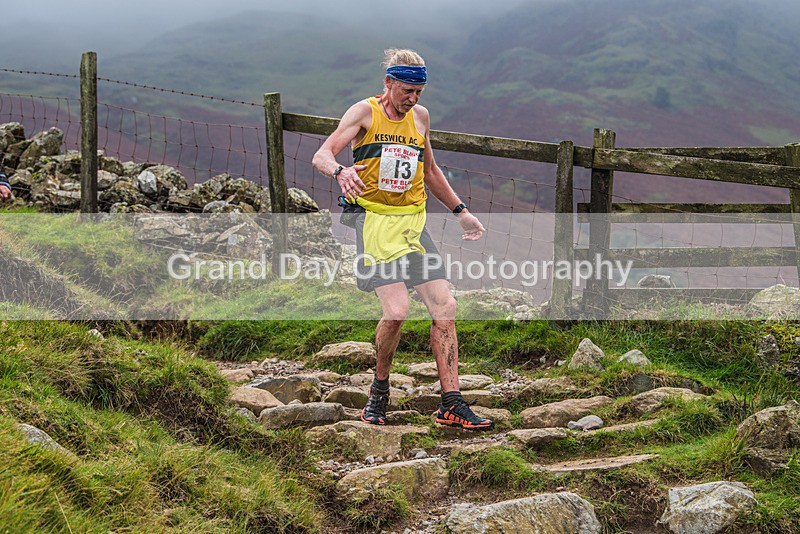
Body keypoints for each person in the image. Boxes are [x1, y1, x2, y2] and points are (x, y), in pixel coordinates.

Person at [312, 48, 494, 430]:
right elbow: (322, 155)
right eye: (406, 91)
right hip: (374, 223)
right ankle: (379, 390)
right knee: (396, 312)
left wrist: (461, 211)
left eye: (419, 92)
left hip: (412, 224)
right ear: (388, 83)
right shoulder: (364, 113)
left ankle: (451, 402)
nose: (412, 99)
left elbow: (430, 171)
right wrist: (341, 172)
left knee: (445, 306)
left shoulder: (420, 118)